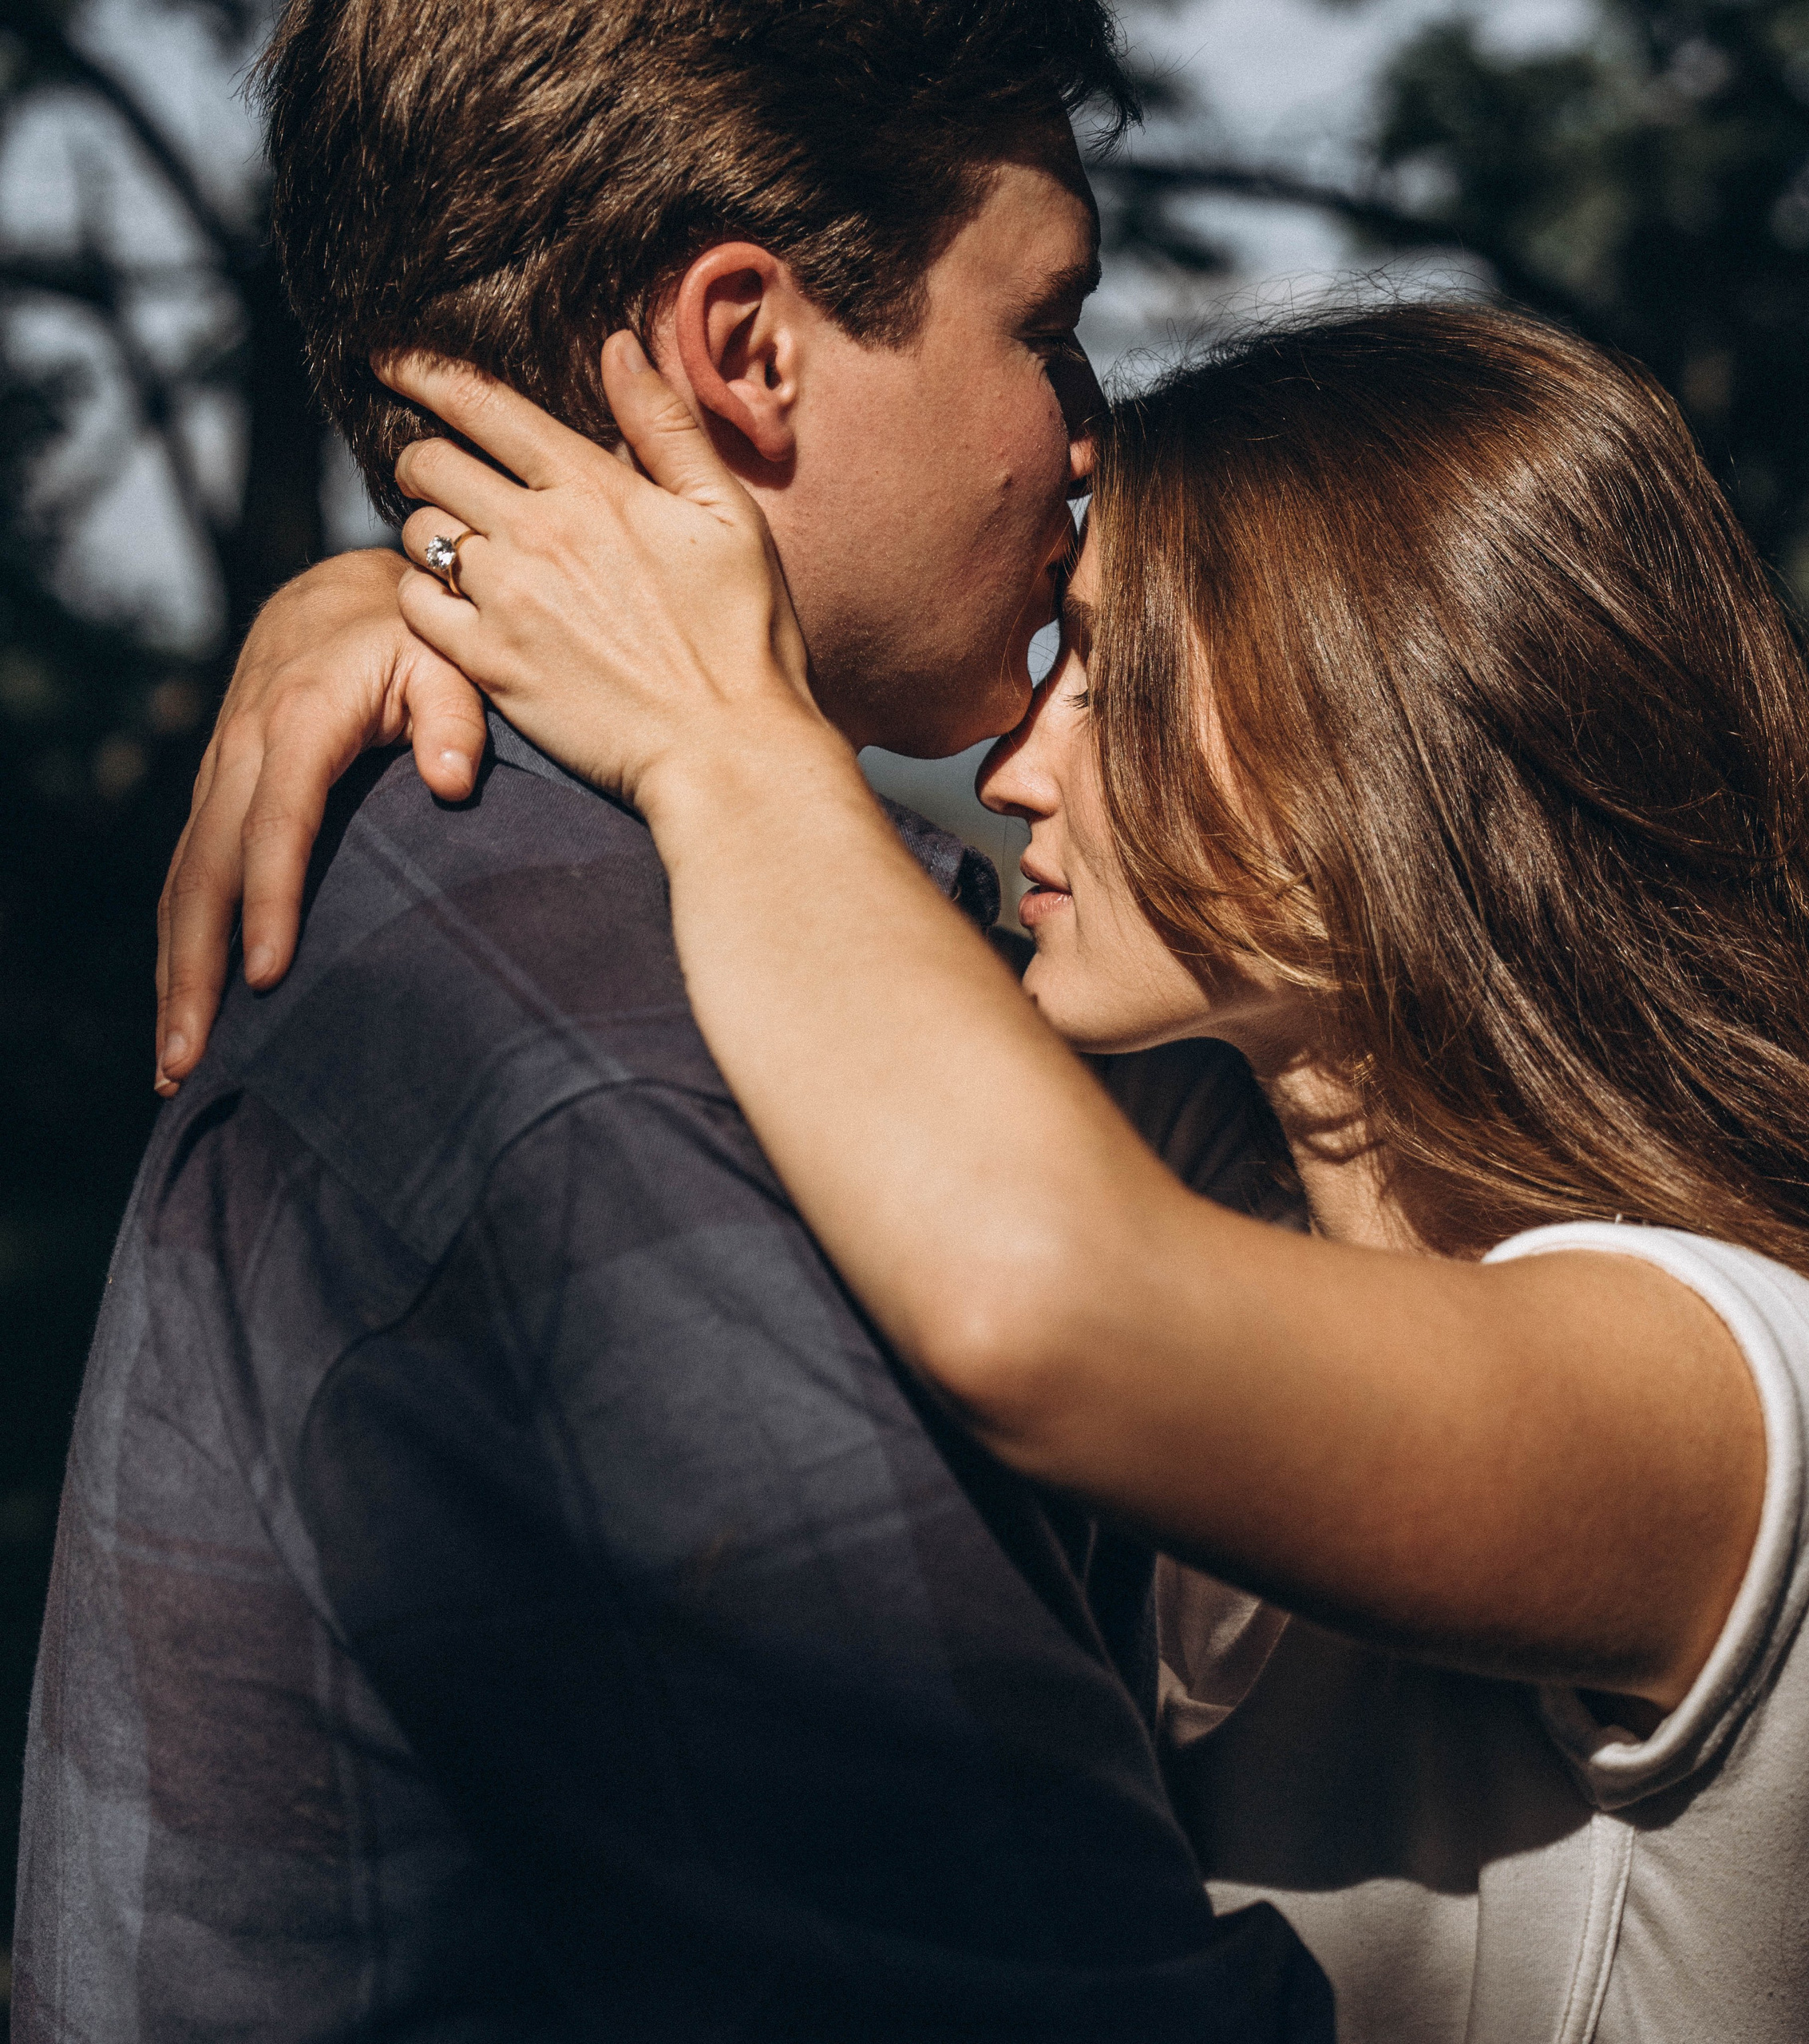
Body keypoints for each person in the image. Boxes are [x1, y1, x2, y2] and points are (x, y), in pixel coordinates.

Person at [156, 303, 1809, 2042]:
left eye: (1113, 676)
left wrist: (721, 740)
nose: (1015, 766)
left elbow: (1040, 1296)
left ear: (1391, 738)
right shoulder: (1224, 1179)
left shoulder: (1754, 1388)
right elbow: (892, 1041)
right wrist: (395, 599)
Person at [10, 4, 1337, 2039]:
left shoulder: (631, 926)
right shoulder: (611, 1071)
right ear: (746, 349)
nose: (1087, 433)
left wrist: (387, 585)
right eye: (1045, 327)